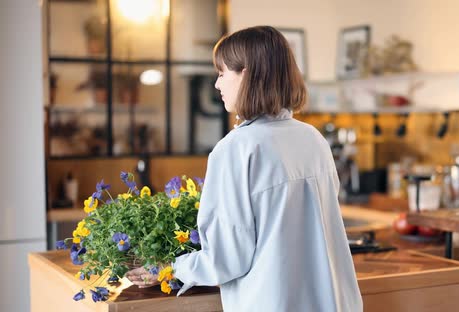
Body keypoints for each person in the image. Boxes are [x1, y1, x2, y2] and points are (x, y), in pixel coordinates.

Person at [126, 25, 362, 312]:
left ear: (246, 75)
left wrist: (171, 267)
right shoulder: (313, 139)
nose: (217, 84)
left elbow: (226, 259)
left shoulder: (235, 150)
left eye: (222, 73)